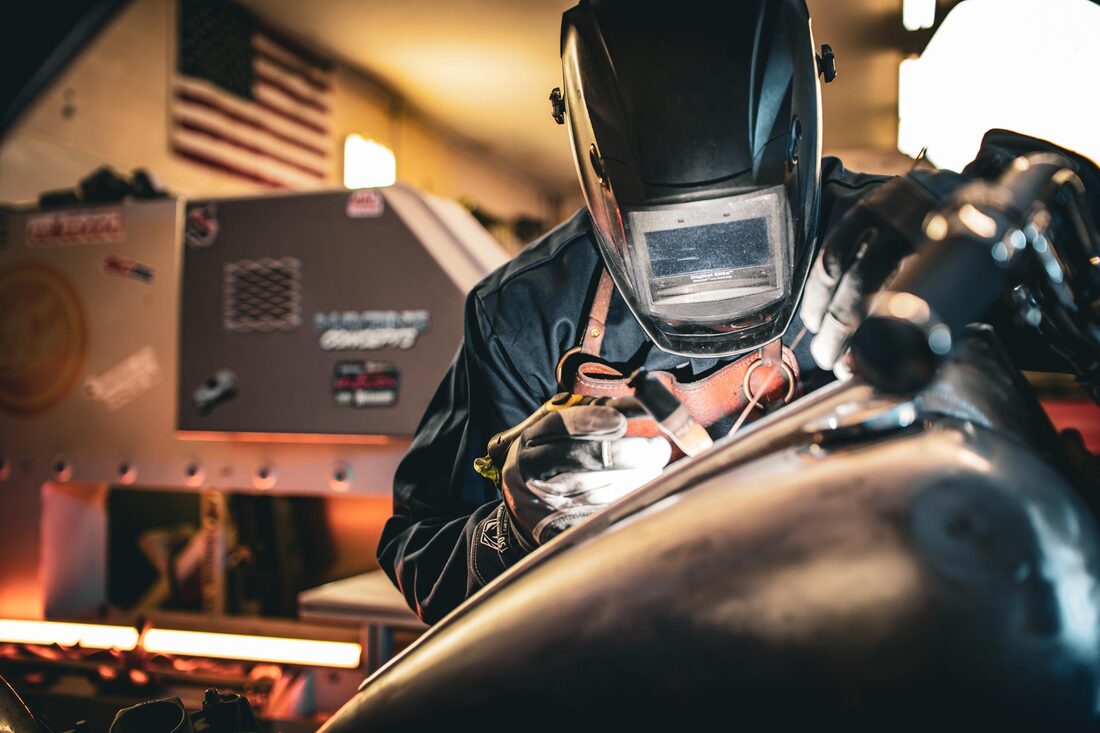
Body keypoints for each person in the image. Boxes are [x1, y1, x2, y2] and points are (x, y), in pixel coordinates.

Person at [375, 0, 1087, 624]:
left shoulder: (906, 236)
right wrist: (514, 525)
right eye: (674, 244)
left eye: (742, 233)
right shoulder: (527, 314)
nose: (710, 273)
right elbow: (421, 546)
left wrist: (1055, 242)